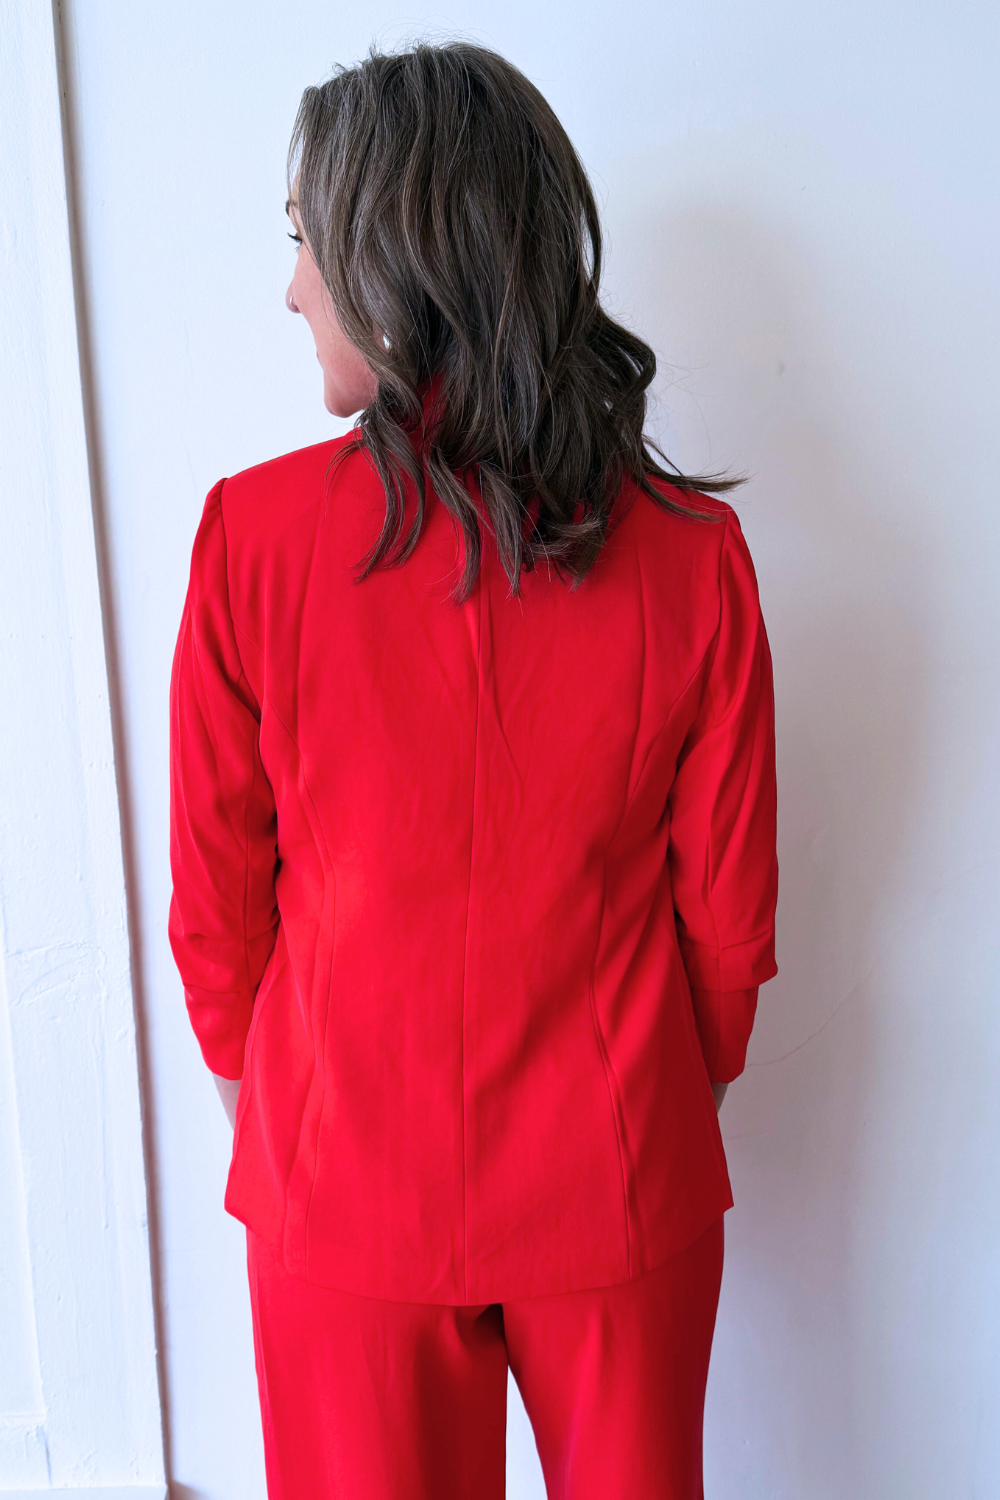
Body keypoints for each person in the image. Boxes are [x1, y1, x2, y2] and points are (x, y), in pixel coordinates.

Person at [168, 39, 778, 1500]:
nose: (292, 289)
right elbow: (729, 926)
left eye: (304, 239)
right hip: (618, 1173)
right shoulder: (694, 559)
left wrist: (294, 1112)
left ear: (397, 256)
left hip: (342, 1188)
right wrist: (642, 1104)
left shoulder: (253, 543)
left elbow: (216, 918)